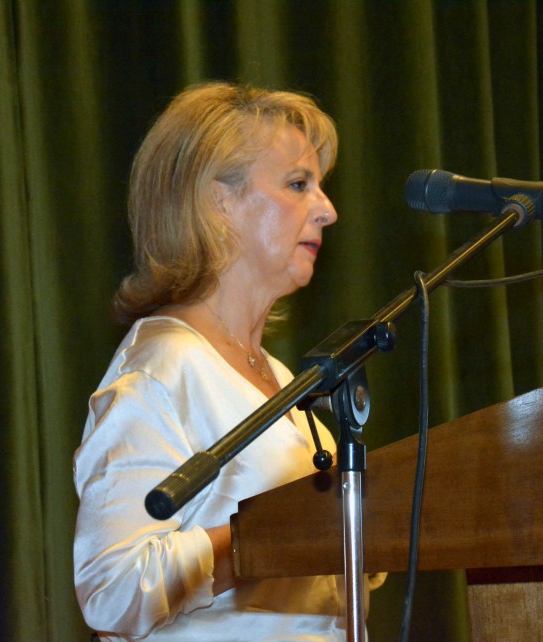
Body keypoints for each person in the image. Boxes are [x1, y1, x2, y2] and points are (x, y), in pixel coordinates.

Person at [73, 82, 382, 641]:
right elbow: (112, 588)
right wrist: (268, 537)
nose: (328, 211)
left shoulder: (280, 377)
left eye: (320, 187)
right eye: (298, 184)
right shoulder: (162, 369)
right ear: (218, 202)